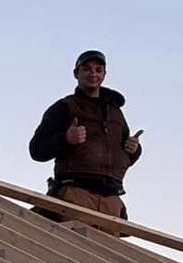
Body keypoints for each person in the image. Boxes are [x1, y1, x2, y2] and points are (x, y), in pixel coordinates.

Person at [29, 50, 141, 223]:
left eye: (98, 70)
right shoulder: (64, 107)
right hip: (76, 193)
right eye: (87, 69)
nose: (93, 74)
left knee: (106, 250)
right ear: (76, 73)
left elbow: (124, 154)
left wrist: (134, 150)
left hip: (111, 199)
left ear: (104, 74)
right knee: (73, 248)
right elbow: (36, 150)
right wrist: (66, 139)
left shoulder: (116, 113)